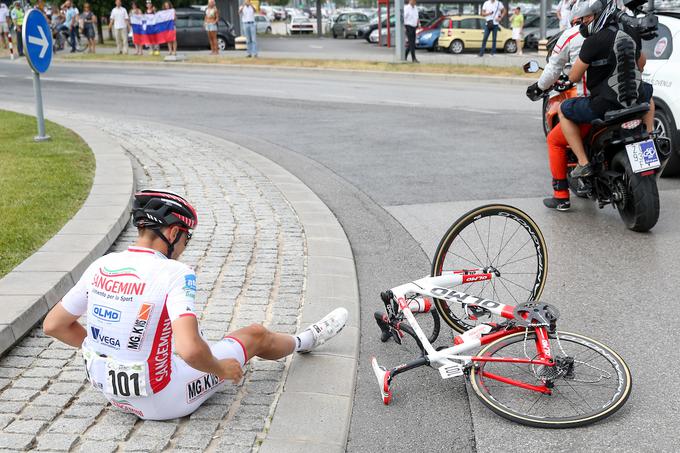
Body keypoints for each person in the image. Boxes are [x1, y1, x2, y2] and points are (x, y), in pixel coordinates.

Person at [42, 190, 349, 420]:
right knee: (255, 334)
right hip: (162, 399)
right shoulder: (175, 273)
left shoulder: (103, 264)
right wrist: (222, 369)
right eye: (186, 239)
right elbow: (189, 348)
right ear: (174, 233)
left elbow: (53, 324)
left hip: (110, 391)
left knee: (179, 351)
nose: (184, 248)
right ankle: (305, 340)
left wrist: (113, 353)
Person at [526, 1, 588, 210]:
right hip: (628, 102)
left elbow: (554, 68)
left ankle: (561, 195)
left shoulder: (574, 36)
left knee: (554, 139)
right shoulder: (620, 33)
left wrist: (539, 87)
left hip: (591, 104)